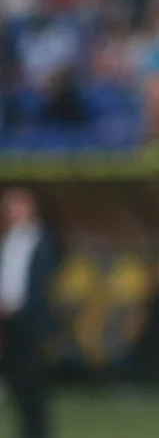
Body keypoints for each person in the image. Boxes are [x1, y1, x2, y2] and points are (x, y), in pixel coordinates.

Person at [0, 188, 57, 438]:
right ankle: (25, 430)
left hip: (30, 319)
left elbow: (42, 283)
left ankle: (37, 432)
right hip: (8, 320)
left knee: (32, 379)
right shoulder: (8, 241)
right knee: (17, 380)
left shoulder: (42, 240)